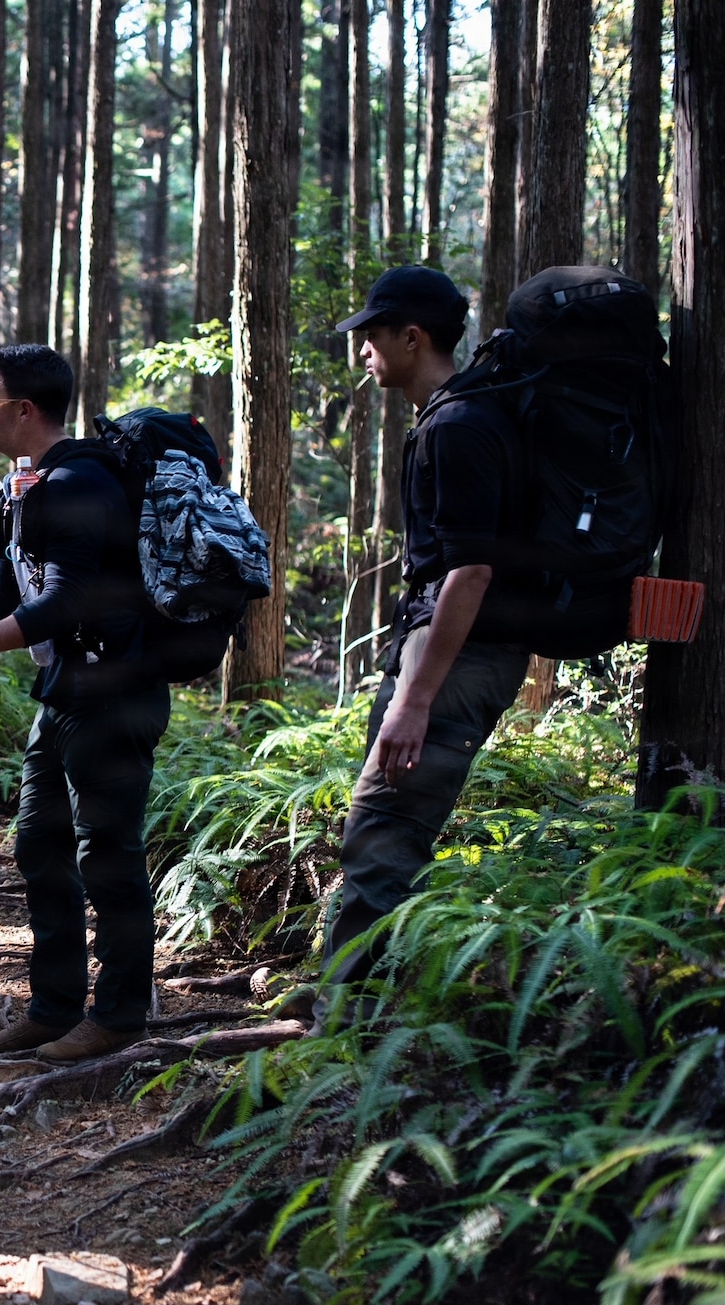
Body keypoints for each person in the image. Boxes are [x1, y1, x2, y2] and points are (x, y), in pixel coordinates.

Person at [318, 267, 527, 1008]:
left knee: (385, 828)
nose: (364, 350)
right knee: (381, 822)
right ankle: (349, 998)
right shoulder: (452, 416)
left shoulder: (461, 427)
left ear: (413, 337)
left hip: (457, 654)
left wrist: (417, 698)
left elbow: (470, 573)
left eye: (374, 336)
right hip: (444, 646)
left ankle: (342, 1031)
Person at [0, 344, 171, 1063]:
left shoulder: (81, 482)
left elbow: (68, 599)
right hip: (63, 699)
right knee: (39, 846)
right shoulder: (32, 484)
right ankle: (53, 1010)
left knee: (108, 856)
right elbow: (13, 588)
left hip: (114, 696)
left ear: (25, 409)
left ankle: (116, 1017)